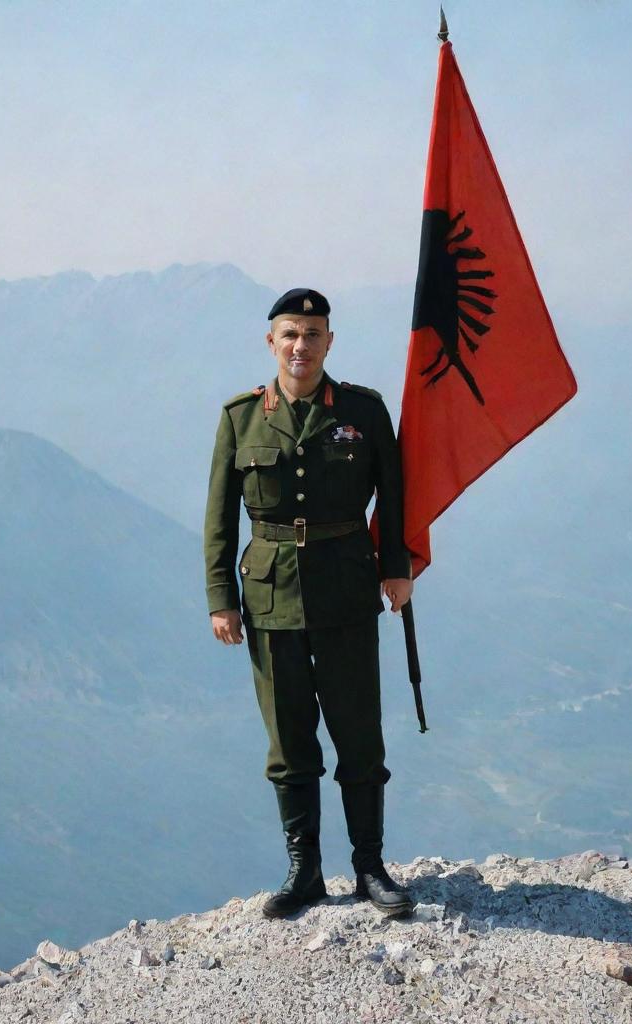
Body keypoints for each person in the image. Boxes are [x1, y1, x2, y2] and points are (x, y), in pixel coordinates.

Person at [203, 286, 416, 919]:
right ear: (271, 342)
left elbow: (396, 495)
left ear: (329, 342)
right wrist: (222, 599)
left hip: (348, 589)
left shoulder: (363, 412)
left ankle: (370, 867)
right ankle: (305, 872)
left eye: (313, 335)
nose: (301, 346)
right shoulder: (241, 418)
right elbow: (218, 518)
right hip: (269, 600)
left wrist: (397, 569)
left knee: (359, 735)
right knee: (289, 742)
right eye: (290, 334)